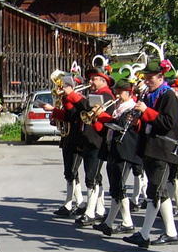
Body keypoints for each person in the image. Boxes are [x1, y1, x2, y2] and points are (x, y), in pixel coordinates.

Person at [124, 55, 178, 249]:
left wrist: (146, 111)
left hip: (162, 148)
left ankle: (145, 234)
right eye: (146, 77)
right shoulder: (150, 95)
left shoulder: (169, 96)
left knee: (154, 191)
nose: (147, 80)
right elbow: (149, 121)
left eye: (151, 77)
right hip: (150, 147)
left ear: (160, 77)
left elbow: (168, 123)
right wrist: (137, 121)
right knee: (159, 191)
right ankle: (171, 233)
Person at [64, 66, 115, 227]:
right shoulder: (97, 94)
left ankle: (90, 212)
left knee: (91, 178)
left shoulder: (106, 95)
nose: (90, 82)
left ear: (103, 80)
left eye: (94, 79)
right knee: (94, 177)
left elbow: (88, 107)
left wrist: (73, 95)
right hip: (89, 140)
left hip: (97, 140)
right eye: (91, 79)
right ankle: (99, 209)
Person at [96, 79, 139, 235]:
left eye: (120, 92)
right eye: (116, 92)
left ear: (128, 92)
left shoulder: (131, 108)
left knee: (119, 187)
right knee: (115, 188)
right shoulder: (119, 106)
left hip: (124, 151)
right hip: (113, 149)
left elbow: (120, 125)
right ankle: (109, 223)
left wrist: (103, 117)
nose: (117, 95)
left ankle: (126, 222)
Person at [44, 74, 87, 217]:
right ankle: (79, 202)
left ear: (70, 87)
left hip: (75, 138)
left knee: (71, 172)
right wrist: (55, 118)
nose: (59, 89)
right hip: (67, 137)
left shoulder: (76, 99)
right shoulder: (64, 99)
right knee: (70, 172)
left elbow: (72, 116)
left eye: (62, 87)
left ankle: (69, 204)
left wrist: (53, 110)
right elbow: (65, 117)